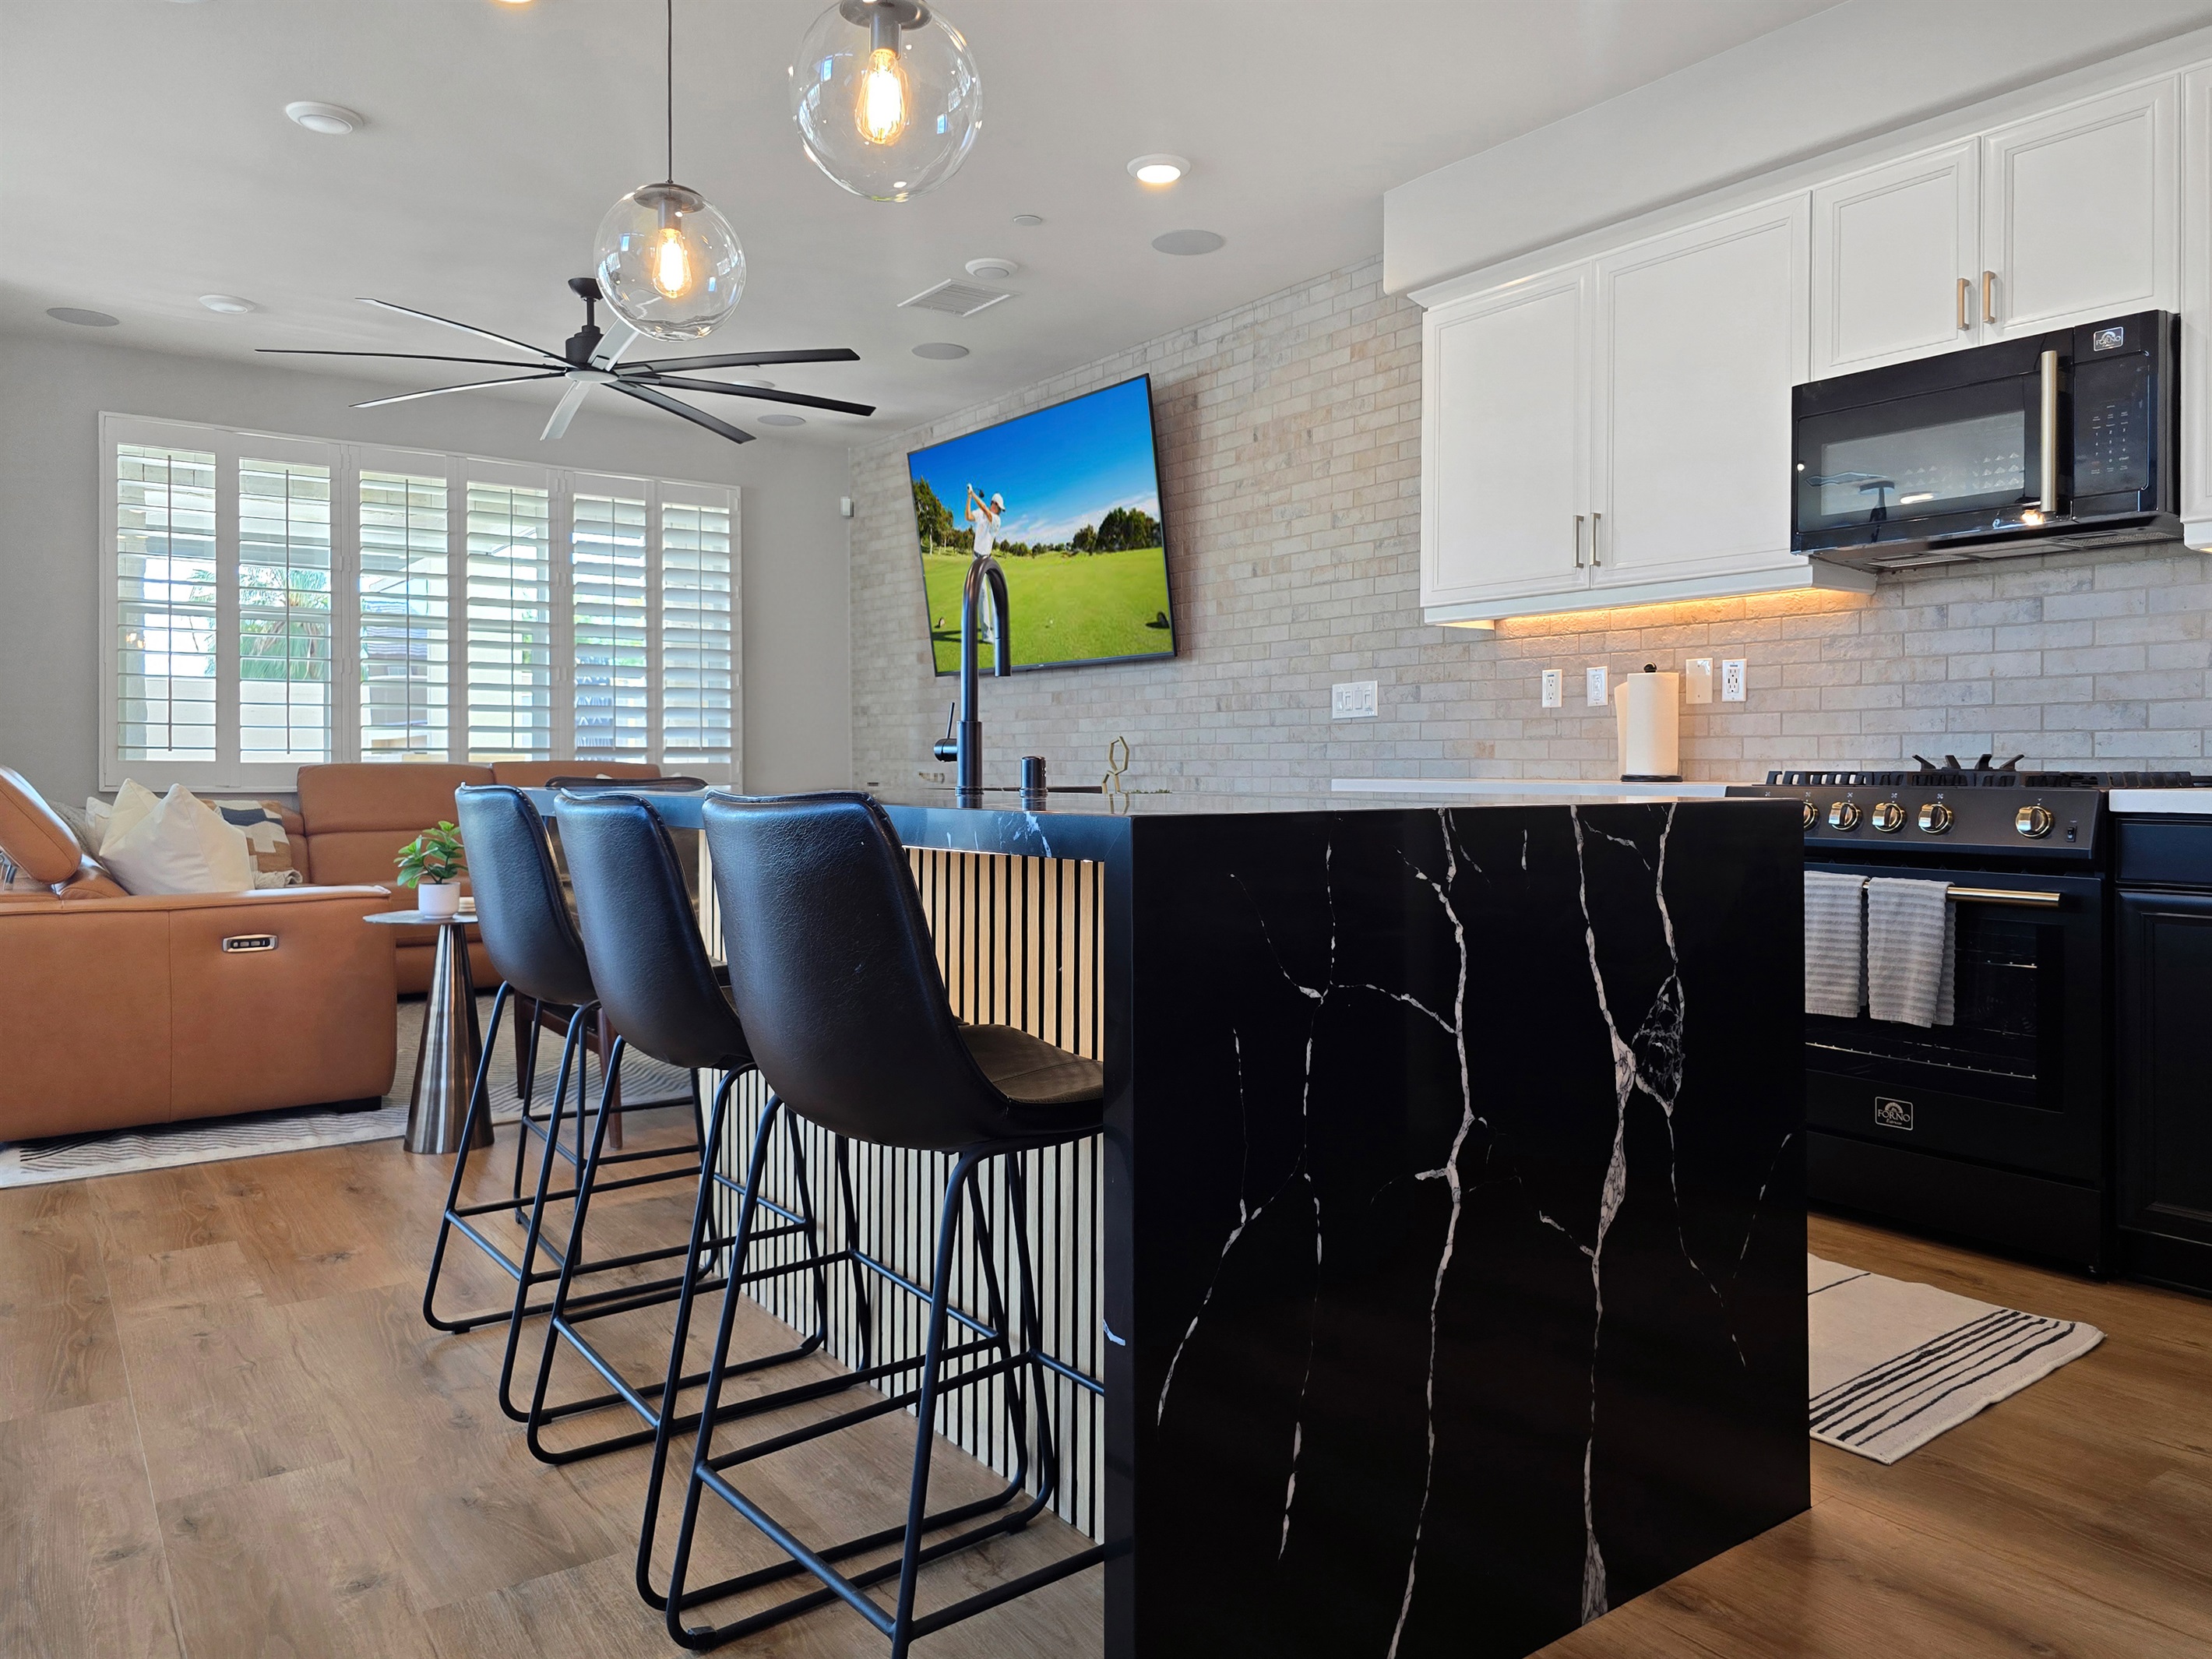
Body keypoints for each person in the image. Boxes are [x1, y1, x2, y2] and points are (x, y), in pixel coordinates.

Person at [964, 485, 1002, 559]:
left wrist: (972, 493)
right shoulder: (980, 513)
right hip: (975, 557)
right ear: (994, 504)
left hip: (986, 559)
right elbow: (968, 517)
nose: (1000, 511)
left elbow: (984, 508)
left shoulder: (997, 520)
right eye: (999, 508)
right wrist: (969, 497)